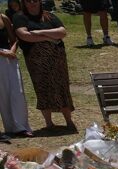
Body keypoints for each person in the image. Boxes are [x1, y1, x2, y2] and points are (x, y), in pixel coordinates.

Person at [11, 0, 73, 132]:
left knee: (62, 86)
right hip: (36, 60)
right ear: (24, 3)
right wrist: (50, 37)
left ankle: (69, 121)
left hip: (57, 58)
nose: (32, 3)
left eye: (35, 0)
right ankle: (49, 123)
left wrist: (39, 33)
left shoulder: (49, 15)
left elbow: (62, 32)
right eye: (28, 1)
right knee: (42, 87)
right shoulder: (19, 17)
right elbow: (25, 35)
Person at [0, 8, 31, 141]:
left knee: (17, 92)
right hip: (2, 54)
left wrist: (12, 50)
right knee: (2, 95)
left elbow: (14, 39)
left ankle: (21, 127)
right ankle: (10, 127)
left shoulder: (3, 18)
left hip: (8, 58)